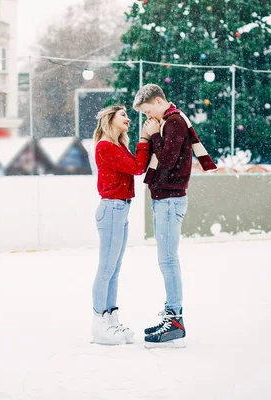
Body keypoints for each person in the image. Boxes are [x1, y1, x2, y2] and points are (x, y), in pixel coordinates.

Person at [132, 84, 216, 348]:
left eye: (147, 111)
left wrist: (154, 136)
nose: (147, 118)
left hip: (170, 199)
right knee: (166, 261)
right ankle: (172, 313)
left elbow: (167, 161)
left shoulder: (174, 122)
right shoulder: (168, 122)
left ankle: (175, 321)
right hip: (164, 199)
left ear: (159, 101)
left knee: (168, 261)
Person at [91, 104, 151, 345]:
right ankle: (99, 323)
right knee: (106, 269)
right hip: (112, 208)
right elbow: (138, 167)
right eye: (123, 115)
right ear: (110, 119)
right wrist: (145, 139)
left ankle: (111, 319)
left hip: (121, 209)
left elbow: (138, 164)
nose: (128, 119)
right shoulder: (105, 146)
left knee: (114, 270)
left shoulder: (119, 145)